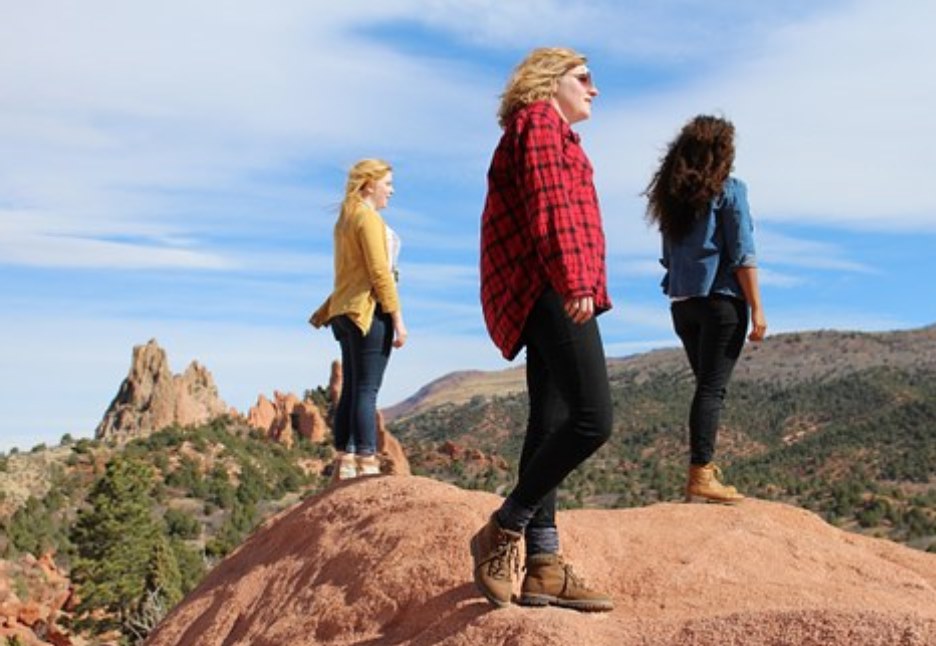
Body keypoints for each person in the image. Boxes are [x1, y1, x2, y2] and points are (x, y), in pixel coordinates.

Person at [472, 47, 614, 612]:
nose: (594, 89)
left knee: (551, 421)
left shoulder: (554, 133)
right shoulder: (537, 124)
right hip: (552, 287)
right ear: (548, 82)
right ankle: (503, 528)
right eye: (584, 77)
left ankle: (544, 566)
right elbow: (550, 208)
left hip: (551, 285)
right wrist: (576, 277)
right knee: (593, 419)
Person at [644, 115, 767, 504]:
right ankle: (701, 473)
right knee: (712, 390)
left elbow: (667, 258)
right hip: (721, 303)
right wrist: (757, 309)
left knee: (706, 388)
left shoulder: (671, 198)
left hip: (683, 306)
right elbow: (742, 253)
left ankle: (704, 470)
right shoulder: (730, 191)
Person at [310, 159, 407, 481]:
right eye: (387, 184)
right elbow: (380, 273)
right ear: (369, 184)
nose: (391, 191)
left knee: (352, 386)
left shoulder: (344, 221)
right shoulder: (368, 219)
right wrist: (398, 317)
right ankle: (366, 459)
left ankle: (347, 456)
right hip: (367, 310)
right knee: (367, 388)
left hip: (342, 311)